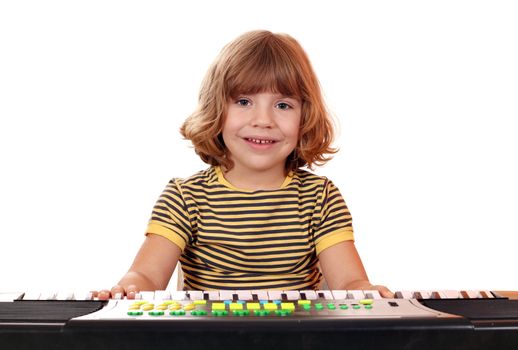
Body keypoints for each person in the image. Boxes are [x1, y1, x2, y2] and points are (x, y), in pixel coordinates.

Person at [99, 30, 393, 300]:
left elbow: (349, 284)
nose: (263, 120)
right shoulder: (185, 197)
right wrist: (130, 287)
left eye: (283, 105)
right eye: (243, 101)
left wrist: (365, 291)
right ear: (217, 109)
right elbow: (147, 275)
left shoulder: (321, 198)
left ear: (305, 116)